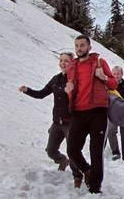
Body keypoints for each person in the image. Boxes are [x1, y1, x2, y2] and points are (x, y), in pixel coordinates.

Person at [18, 52, 84, 185]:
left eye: (66, 61)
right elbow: (41, 94)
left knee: (73, 151)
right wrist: (27, 90)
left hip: (71, 122)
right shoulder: (56, 79)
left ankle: (77, 175)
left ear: (72, 63)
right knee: (51, 150)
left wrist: (72, 92)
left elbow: (83, 99)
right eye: (61, 60)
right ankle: (62, 160)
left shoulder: (76, 80)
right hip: (57, 122)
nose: (63, 63)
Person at [64, 35, 117, 194]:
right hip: (78, 112)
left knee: (96, 151)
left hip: (97, 111)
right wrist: (69, 91)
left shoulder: (99, 63)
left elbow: (113, 83)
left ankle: (95, 188)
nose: (79, 48)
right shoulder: (72, 67)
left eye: (82, 45)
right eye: (77, 46)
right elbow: (72, 89)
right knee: (72, 149)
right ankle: (87, 170)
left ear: (89, 47)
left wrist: (104, 77)